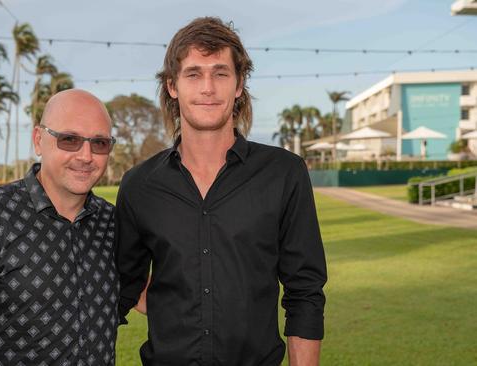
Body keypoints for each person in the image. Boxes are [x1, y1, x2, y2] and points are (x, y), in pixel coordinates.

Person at [116, 17, 327, 366]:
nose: (208, 88)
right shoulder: (139, 185)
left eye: (221, 73)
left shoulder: (284, 174)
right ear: (172, 86)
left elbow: (304, 292)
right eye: (194, 74)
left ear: (239, 84)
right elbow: (123, 283)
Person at [0, 89, 119, 366]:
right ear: (39, 140)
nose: (86, 155)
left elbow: (148, 295)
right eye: (69, 140)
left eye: (99, 143)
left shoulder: (112, 223)